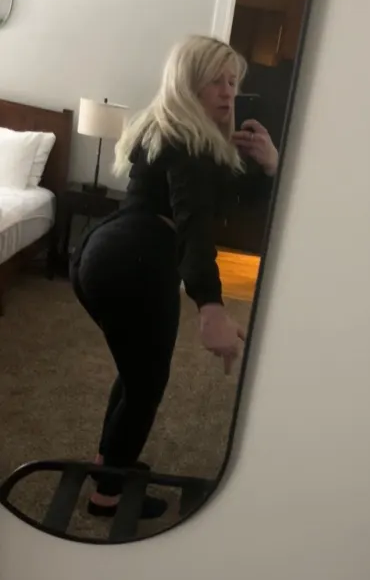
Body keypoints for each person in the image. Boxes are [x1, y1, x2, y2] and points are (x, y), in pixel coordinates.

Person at [70, 35, 279, 519]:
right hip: (137, 266)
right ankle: (107, 496)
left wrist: (269, 164)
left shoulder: (169, 129)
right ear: (187, 82)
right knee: (147, 384)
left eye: (233, 81)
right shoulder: (189, 144)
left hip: (105, 254)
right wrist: (211, 306)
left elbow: (218, 198)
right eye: (215, 80)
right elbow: (193, 227)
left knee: (136, 373)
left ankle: (110, 464)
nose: (228, 91)